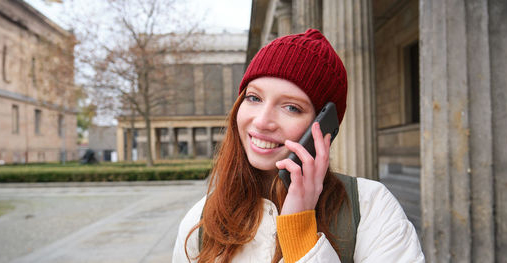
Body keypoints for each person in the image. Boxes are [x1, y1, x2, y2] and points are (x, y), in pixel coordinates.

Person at [172, 29, 424, 263]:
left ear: (323, 125)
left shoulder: (371, 206)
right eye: (254, 98)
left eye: (291, 107)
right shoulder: (202, 220)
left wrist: (300, 233)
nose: (261, 121)